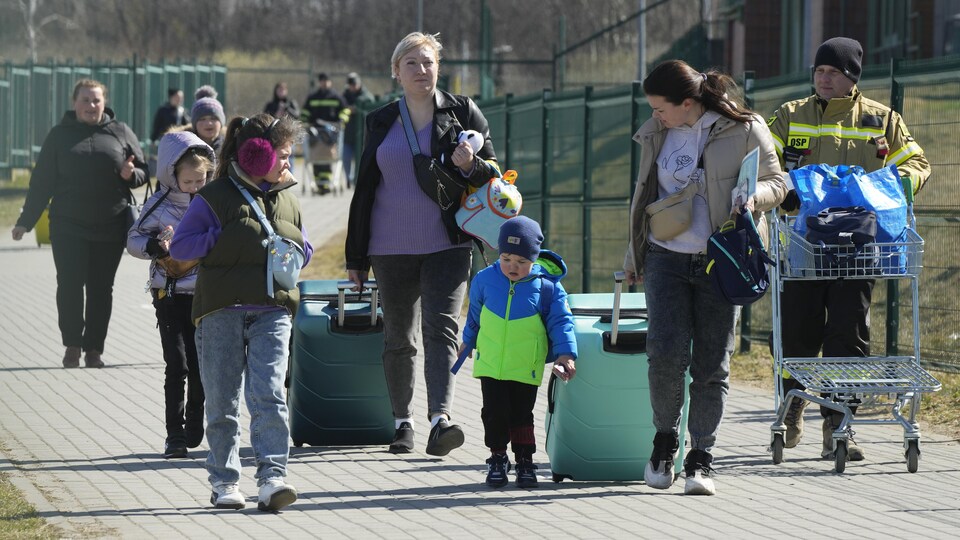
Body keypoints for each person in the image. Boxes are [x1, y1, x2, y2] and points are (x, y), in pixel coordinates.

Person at [623, 60, 786, 495]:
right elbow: (645, 196)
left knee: (712, 365)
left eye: (661, 108)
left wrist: (753, 197)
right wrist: (633, 255)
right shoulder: (657, 131)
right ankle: (664, 443)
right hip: (665, 258)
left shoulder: (745, 127)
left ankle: (702, 457)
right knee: (664, 355)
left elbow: (780, 182)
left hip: (724, 260)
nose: (655, 115)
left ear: (688, 102)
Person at [767, 37, 931, 461]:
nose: (823, 79)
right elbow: (763, 161)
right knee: (796, 332)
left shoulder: (882, 120)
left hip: (859, 247)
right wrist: (784, 194)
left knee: (849, 335)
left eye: (833, 73)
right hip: (801, 246)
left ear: (851, 78)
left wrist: (885, 192)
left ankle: (839, 425)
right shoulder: (789, 115)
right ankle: (794, 407)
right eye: (819, 71)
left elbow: (917, 164)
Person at [345, 32, 501, 457]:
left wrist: (473, 165)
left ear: (439, 68)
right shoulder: (379, 120)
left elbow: (494, 177)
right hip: (388, 247)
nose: (421, 70)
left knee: (441, 329)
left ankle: (440, 420)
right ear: (396, 71)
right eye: (411, 63)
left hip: (448, 244)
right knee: (399, 336)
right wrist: (355, 256)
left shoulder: (462, 111)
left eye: (428, 62)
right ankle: (402, 423)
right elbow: (364, 189)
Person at [169, 113, 311, 511]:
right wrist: (225, 238)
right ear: (256, 154)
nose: (288, 162)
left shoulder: (288, 197)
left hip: (273, 311)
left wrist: (297, 249)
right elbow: (181, 248)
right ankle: (224, 482)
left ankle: (272, 478)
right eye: (282, 154)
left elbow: (306, 246)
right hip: (221, 310)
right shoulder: (214, 197)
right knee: (223, 401)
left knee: (269, 395)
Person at [11, 79, 150, 369]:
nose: (91, 106)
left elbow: (143, 173)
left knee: (101, 289)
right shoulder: (59, 135)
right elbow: (42, 182)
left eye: (96, 100)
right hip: (67, 225)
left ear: (104, 103)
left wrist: (130, 174)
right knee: (70, 285)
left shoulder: (120, 131)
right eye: (85, 100)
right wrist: (26, 222)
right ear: (74, 103)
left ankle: (94, 350)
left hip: (110, 225)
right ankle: (72, 345)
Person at [459, 216, 578, 489]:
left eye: (522, 262)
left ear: (534, 260)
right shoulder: (484, 280)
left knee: (522, 414)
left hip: (526, 364)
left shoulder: (547, 287)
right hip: (490, 363)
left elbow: (561, 322)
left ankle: (525, 460)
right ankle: (498, 457)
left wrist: (566, 354)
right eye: (507, 258)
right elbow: (475, 317)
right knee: (494, 412)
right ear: (498, 253)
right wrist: (467, 341)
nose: (513, 266)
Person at [127, 131, 215, 459]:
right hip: (168, 292)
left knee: (200, 364)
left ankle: (195, 420)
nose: (194, 187)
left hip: (205, 295)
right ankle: (174, 435)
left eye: (200, 180)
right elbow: (133, 238)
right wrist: (150, 247)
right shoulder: (158, 204)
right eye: (188, 181)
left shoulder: (212, 202)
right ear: (171, 174)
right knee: (175, 363)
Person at [342, 72, 374, 188]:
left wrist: (357, 107)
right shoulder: (345, 95)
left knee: (359, 159)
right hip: (348, 133)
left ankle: (358, 180)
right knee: (345, 157)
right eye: (351, 85)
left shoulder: (365, 95)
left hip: (361, 135)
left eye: (355, 84)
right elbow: (341, 104)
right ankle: (349, 178)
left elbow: (369, 101)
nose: (353, 87)